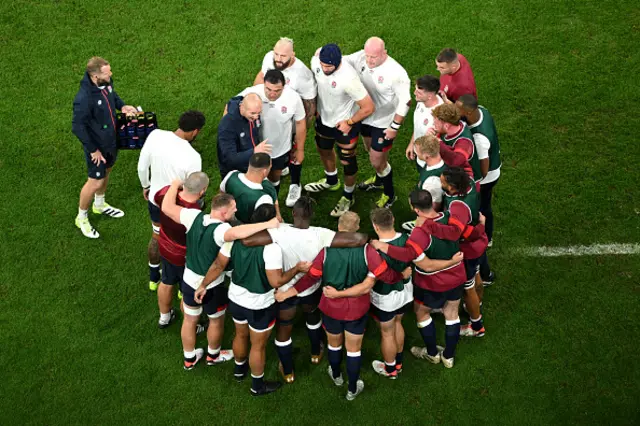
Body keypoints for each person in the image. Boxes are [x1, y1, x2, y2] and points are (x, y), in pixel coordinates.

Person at [276, 212, 409, 401]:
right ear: (357, 228)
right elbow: (385, 275)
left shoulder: (325, 252)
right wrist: (401, 276)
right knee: (354, 350)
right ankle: (352, 388)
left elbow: (310, 278)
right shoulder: (368, 251)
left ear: (338, 228)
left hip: (331, 308)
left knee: (334, 345)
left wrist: (287, 293)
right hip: (357, 310)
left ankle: (337, 375)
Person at [241, 196, 368, 383]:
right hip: (311, 289)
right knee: (313, 318)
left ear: (293, 213)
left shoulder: (280, 231)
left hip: (285, 291)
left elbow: (247, 241)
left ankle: (288, 371)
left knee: (284, 330)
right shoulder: (322, 234)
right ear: (312, 215)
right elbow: (359, 239)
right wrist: (369, 239)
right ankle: (316, 353)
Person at [162, 180, 279, 371]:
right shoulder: (222, 230)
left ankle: (189, 358)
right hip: (211, 286)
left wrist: (174, 185)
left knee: (190, 320)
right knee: (215, 321)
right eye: (233, 209)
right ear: (223, 212)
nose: (235, 211)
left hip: (188, 280)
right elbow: (239, 233)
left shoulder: (193, 216)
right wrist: (267, 223)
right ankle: (213, 355)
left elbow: (167, 207)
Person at [194, 204, 310, 396]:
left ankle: (239, 370)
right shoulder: (271, 248)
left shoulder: (235, 238)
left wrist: (203, 285)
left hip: (236, 299)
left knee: (240, 335)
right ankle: (257, 385)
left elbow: (218, 265)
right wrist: (297, 269)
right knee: (258, 346)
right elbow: (276, 281)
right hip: (259, 305)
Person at [371, 190, 467, 368]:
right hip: (458, 276)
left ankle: (432, 354)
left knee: (422, 312)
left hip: (432, 283)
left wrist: (383, 246)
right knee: (452, 313)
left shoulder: (419, 233)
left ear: (415, 209)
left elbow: (425, 265)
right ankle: (448, 357)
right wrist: (453, 262)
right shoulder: (449, 217)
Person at [304, 44, 375, 217]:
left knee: (347, 162)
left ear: (338, 62)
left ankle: (348, 195)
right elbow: (317, 53)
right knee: (323, 149)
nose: (324, 68)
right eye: (322, 65)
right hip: (324, 120)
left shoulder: (349, 79)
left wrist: (349, 122)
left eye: (328, 66)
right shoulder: (316, 63)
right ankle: (331, 180)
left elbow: (368, 107)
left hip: (344, 127)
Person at [137, 110, 205, 291]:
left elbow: (142, 165)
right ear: (195, 131)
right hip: (178, 208)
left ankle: (154, 277)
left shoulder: (155, 135)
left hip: (155, 201)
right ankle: (183, 286)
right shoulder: (193, 157)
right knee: (182, 243)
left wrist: (146, 186)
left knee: (156, 236)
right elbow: (193, 188)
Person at [72, 56, 138, 238]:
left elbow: (112, 96)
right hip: (97, 147)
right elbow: (77, 126)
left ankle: (99, 205)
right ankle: (81, 217)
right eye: (108, 73)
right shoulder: (84, 98)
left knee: (107, 171)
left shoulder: (105, 82)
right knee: (95, 181)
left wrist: (123, 107)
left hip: (111, 140)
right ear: (95, 76)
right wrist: (93, 150)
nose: (111, 75)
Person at [343, 37, 412, 209]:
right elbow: (344, 59)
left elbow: (406, 101)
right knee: (370, 151)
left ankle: (389, 194)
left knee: (376, 160)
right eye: (367, 56)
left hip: (383, 122)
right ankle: (380, 179)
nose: (368, 60)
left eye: (373, 57)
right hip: (366, 116)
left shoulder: (396, 73)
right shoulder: (362, 56)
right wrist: (323, 52)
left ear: (384, 53)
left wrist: (394, 127)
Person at [421, 168, 490, 338]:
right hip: (478, 244)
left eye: (443, 182)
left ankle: (476, 325)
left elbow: (455, 233)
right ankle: (476, 304)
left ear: (452, 187)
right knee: (475, 275)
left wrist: (430, 226)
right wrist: (480, 226)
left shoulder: (458, 207)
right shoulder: (470, 183)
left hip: (468, 249)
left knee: (468, 287)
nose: (440, 182)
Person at [253, 37, 317, 186]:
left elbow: (310, 104)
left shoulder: (302, 74)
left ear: (293, 55)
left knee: (294, 152)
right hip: (270, 115)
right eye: (277, 54)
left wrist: (301, 130)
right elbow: (261, 76)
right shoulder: (270, 58)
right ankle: (279, 168)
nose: (278, 59)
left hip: (291, 118)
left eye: (283, 56)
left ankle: (295, 184)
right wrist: (255, 98)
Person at [238, 69, 306, 206]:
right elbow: (231, 106)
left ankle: (270, 203)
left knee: (275, 177)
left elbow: (300, 123)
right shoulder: (252, 93)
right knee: (254, 177)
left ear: (284, 86)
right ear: (263, 84)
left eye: (277, 90)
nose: (272, 94)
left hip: (280, 149)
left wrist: (300, 150)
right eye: (268, 89)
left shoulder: (293, 98)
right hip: (254, 149)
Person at [152, 172, 209, 328]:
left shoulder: (166, 193)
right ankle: (193, 325)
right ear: (202, 191)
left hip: (165, 247)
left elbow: (158, 199)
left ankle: (164, 317)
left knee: (166, 281)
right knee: (186, 292)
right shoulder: (195, 214)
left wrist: (174, 186)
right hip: (185, 257)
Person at [367, 208, 414, 378]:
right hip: (405, 292)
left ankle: (390, 369)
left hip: (385, 298)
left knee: (387, 332)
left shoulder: (374, 252)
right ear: (393, 219)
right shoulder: (407, 239)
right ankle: (399, 361)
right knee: (398, 323)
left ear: (375, 226)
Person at [456, 94, 501, 253]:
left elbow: (483, 170)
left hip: (486, 178)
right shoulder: (482, 111)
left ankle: (486, 237)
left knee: (482, 207)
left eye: (458, 109)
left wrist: (472, 181)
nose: (455, 111)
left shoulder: (479, 138)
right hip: (495, 166)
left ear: (468, 113)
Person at [217, 93, 271, 179]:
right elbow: (230, 159)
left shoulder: (252, 115)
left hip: (251, 165)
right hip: (234, 172)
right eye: (253, 113)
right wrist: (254, 151)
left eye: (259, 113)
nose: (256, 117)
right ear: (241, 107)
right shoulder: (227, 126)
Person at [220, 153, 282, 223]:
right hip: (248, 228)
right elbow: (264, 225)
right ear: (264, 171)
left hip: (228, 221)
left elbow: (221, 198)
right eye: (270, 168)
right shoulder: (264, 199)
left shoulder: (231, 176)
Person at [432, 103, 483, 185]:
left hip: (466, 183)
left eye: (436, 122)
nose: (433, 124)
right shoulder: (455, 125)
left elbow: (457, 162)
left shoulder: (464, 143)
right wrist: (434, 136)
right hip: (453, 176)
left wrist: (438, 143)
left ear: (446, 126)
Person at [405, 75, 444, 170]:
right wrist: (412, 144)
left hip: (428, 161)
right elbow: (418, 125)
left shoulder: (439, 116)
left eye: (419, 92)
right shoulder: (422, 101)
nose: (414, 93)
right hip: (420, 153)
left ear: (430, 95)